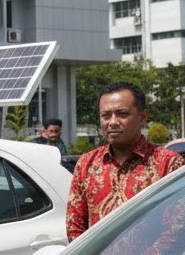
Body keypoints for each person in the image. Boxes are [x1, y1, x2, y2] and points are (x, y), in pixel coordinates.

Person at [66, 81, 184, 241]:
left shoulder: (168, 164)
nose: (113, 122)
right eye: (106, 115)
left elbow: (175, 229)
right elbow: (75, 227)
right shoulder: (86, 164)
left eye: (122, 114)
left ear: (142, 117)